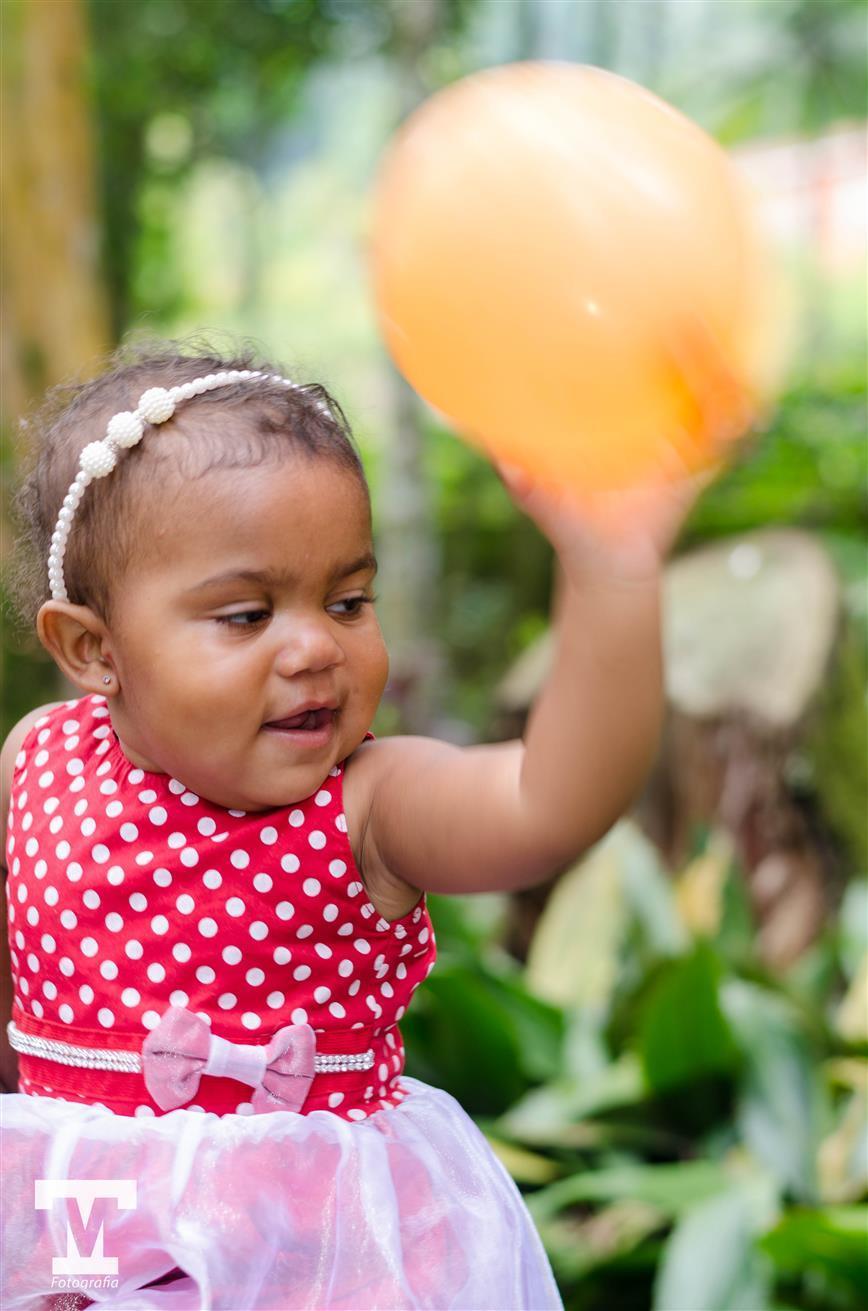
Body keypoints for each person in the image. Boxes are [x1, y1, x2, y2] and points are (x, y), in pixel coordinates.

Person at [0, 344, 697, 1310]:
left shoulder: (371, 804)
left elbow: (554, 801)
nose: (316, 646)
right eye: (247, 615)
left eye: (349, 600)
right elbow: (19, 1005)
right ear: (93, 648)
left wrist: (610, 565)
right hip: (87, 1220)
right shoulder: (39, 761)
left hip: (322, 1262)